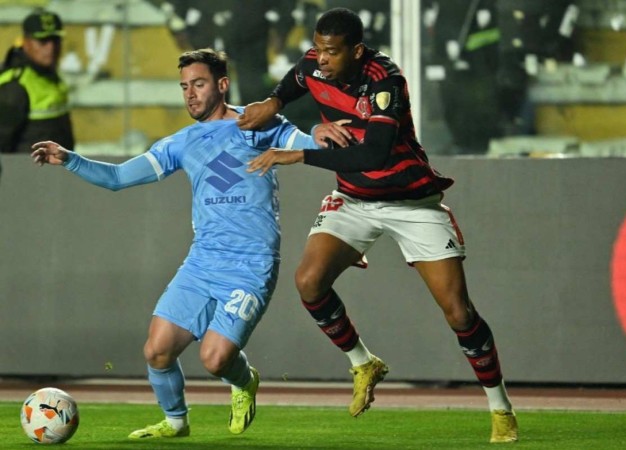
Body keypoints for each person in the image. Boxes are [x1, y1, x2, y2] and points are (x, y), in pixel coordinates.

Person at [240, 7, 518, 443]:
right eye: (318, 49)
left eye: (332, 52)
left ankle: (500, 406)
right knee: (309, 282)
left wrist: (298, 153)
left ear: (356, 50)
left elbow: (374, 156)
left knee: (458, 312)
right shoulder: (314, 64)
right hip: (353, 200)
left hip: (411, 202)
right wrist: (274, 102)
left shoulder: (385, 81)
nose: (322, 59)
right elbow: (296, 80)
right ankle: (363, 362)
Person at [31, 48, 330, 440]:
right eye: (184, 87)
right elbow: (120, 177)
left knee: (215, 359)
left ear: (222, 85)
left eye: (199, 84)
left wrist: (320, 137)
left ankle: (244, 382)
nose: (190, 94)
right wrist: (71, 159)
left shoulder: (257, 122)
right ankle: (175, 422)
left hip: (250, 262)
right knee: (156, 350)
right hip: (203, 261)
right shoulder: (181, 142)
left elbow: (305, 142)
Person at [0, 9, 74, 154]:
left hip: (56, 172)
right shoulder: (15, 86)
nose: (51, 47)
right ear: (26, 42)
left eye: (55, 40)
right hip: (29, 173)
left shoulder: (50, 75)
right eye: (43, 41)